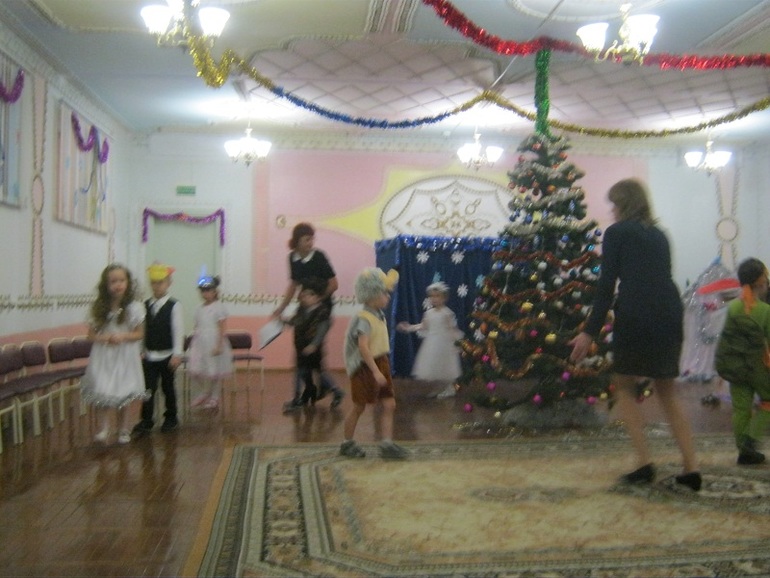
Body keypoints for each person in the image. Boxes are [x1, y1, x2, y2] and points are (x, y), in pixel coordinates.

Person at [569, 178, 701, 491]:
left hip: (637, 312)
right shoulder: (660, 234)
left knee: (624, 386)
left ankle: (644, 464)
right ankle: (691, 468)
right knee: (667, 392)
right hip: (669, 311)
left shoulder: (617, 233)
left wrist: (588, 332)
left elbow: (606, 286)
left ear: (624, 204)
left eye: (614, 204)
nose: (612, 210)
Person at [272, 222, 344, 410]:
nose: (311, 243)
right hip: (304, 308)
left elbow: (334, 284)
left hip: (321, 309)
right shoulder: (292, 258)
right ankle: (313, 390)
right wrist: (281, 308)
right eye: (306, 239)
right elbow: (293, 285)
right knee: (302, 354)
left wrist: (318, 300)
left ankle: (320, 390)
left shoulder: (319, 256)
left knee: (312, 354)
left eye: (312, 239)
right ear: (297, 241)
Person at [340, 267, 409, 459]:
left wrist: (382, 368)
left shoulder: (379, 315)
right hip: (365, 367)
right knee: (359, 406)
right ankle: (347, 443)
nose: (388, 296)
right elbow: (363, 347)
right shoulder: (364, 319)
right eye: (384, 293)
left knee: (389, 403)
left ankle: (386, 444)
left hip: (381, 362)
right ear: (372, 295)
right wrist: (375, 371)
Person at [81, 264, 147, 445]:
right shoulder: (99, 307)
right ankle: (104, 428)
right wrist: (105, 338)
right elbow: (91, 335)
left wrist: (123, 336)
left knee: (123, 392)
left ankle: (124, 428)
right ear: (106, 284)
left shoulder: (134, 307)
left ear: (128, 283)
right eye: (113, 281)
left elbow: (139, 334)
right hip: (104, 355)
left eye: (121, 280)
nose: (118, 285)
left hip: (125, 355)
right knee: (103, 390)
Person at [714, 257, 770, 465]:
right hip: (758, 369)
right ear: (760, 282)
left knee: (741, 409)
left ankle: (743, 451)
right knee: (768, 402)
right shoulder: (765, 311)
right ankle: (751, 441)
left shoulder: (733, 308)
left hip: (736, 367)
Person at [132, 262, 185, 436]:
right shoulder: (145, 305)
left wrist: (177, 354)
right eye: (153, 282)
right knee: (148, 389)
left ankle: (171, 417)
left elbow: (178, 331)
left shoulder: (174, 306)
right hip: (149, 355)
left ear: (169, 283)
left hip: (168, 355)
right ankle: (146, 420)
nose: (157, 286)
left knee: (168, 388)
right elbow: (142, 330)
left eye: (160, 282)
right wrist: (141, 350)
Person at [396, 281, 462, 398]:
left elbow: (452, 329)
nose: (434, 299)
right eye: (431, 296)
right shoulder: (428, 313)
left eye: (437, 296)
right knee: (435, 367)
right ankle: (441, 387)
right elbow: (423, 326)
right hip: (432, 343)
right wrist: (409, 328)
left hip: (444, 344)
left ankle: (450, 387)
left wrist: (457, 343)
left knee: (445, 366)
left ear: (444, 297)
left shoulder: (447, 313)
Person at [283, 277, 334, 406]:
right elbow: (295, 321)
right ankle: (304, 394)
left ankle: (336, 391)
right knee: (303, 372)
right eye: (303, 295)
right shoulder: (302, 310)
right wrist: (283, 321)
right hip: (301, 347)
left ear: (317, 297)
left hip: (313, 350)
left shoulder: (322, 312)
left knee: (316, 373)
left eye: (307, 295)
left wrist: (314, 344)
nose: (304, 298)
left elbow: (322, 330)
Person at [188, 275, 233, 410]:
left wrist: (219, 345)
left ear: (214, 291)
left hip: (213, 342)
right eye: (203, 291)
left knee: (214, 371)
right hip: (200, 343)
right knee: (196, 369)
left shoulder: (219, 307)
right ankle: (204, 392)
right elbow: (197, 325)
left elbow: (222, 327)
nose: (205, 293)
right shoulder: (199, 308)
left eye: (208, 290)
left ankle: (215, 396)